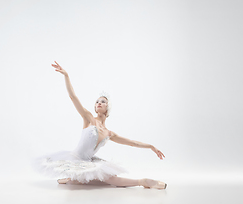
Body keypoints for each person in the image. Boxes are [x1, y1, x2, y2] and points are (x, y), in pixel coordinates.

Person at [33, 61, 167, 189]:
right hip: (75, 159)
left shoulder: (109, 134)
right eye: (97, 101)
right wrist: (66, 76)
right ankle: (141, 182)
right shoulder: (89, 118)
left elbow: (131, 142)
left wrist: (151, 146)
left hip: (89, 161)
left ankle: (142, 181)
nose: (99, 103)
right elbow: (73, 97)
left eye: (103, 101)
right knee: (96, 180)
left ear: (108, 109)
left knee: (107, 178)